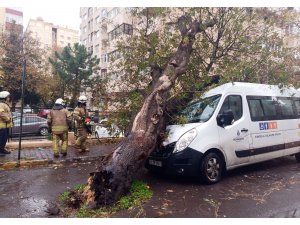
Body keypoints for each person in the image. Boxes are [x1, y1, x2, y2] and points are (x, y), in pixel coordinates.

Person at [0, 91, 13, 157]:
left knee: (4, 138)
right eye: (8, 97)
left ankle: (2, 149)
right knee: (2, 138)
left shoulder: (4, 104)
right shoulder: (1, 104)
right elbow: (1, 114)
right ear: (4, 97)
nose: (9, 98)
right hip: (2, 125)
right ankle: (0, 151)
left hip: (5, 125)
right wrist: (8, 119)